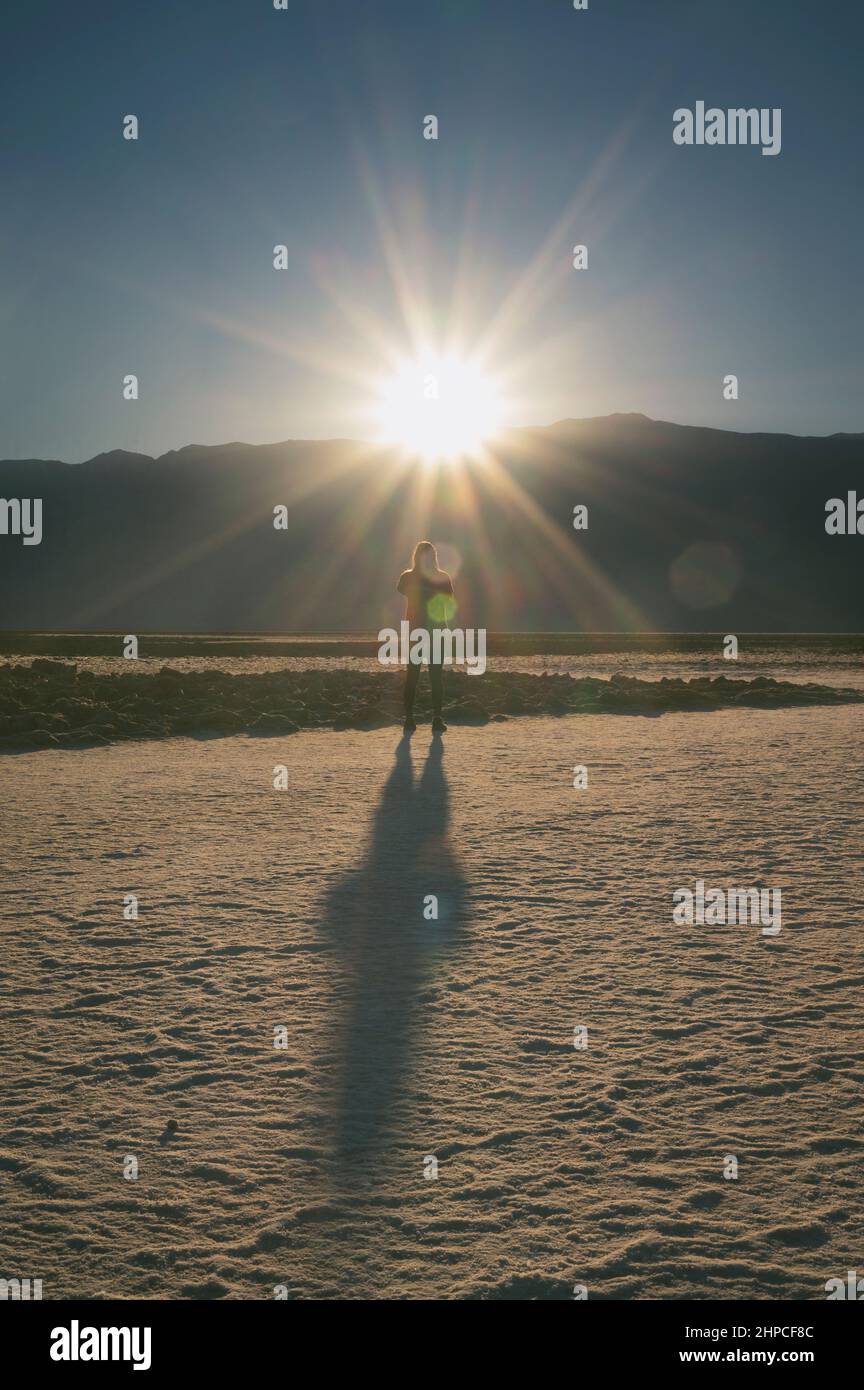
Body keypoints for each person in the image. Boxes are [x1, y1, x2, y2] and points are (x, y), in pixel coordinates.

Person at [397, 540, 453, 734]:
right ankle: (437, 719)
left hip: (414, 631)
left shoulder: (407, 578)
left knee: (412, 676)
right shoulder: (442, 577)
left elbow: (402, 589)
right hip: (435, 631)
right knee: (436, 677)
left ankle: (409, 719)